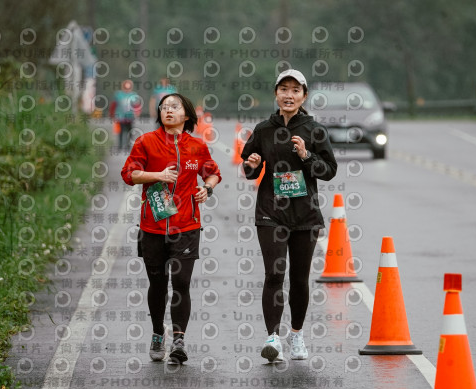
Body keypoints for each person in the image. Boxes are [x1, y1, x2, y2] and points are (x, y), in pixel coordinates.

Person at [241, 69, 338, 362]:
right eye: (284, 89)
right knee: (274, 273)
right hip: (270, 212)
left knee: (299, 278)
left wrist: (307, 155)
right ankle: (273, 338)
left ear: (304, 96)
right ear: (276, 93)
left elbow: (329, 171)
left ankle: (296, 335)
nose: (289, 95)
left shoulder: (315, 130)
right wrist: (252, 165)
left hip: (305, 214)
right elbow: (249, 168)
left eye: (296, 90)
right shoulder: (263, 129)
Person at [121, 93, 221, 363]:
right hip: (152, 227)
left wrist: (207, 188)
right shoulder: (146, 142)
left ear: (186, 114)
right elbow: (129, 174)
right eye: (164, 107)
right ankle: (157, 332)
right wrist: (158, 175)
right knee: (157, 284)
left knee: (181, 282)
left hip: (186, 225)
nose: (168, 111)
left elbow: (213, 172)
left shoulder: (197, 146)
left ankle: (179, 340)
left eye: (174, 107)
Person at [110, 79, 140, 151]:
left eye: (129, 87)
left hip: (130, 116)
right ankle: (120, 145)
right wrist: (112, 114)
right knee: (121, 131)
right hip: (120, 116)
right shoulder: (118, 95)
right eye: (126, 87)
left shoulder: (133, 95)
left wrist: (137, 112)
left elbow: (136, 105)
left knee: (130, 131)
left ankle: (128, 145)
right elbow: (114, 105)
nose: (127, 89)